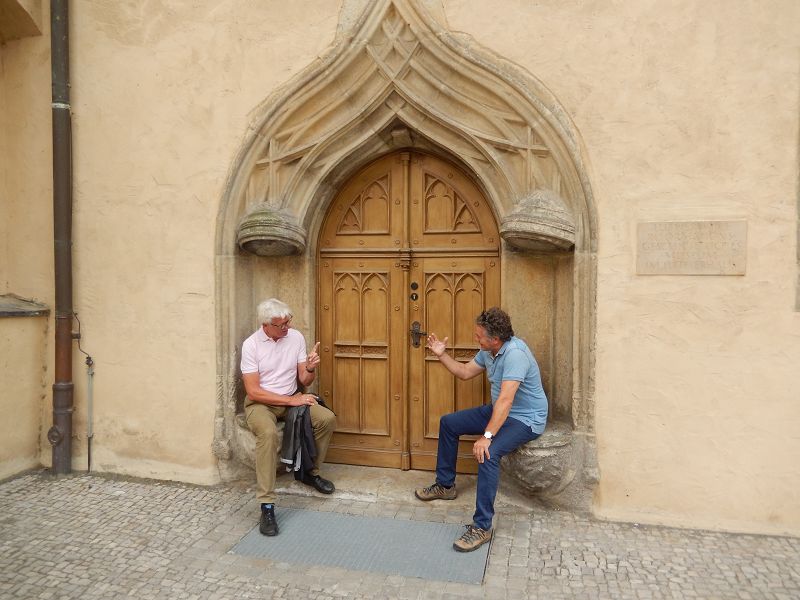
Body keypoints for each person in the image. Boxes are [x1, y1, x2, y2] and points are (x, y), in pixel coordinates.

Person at [414, 307, 548, 552]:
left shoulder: (515, 355)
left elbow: (506, 400)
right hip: (500, 411)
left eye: (479, 336)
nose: (476, 338)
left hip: (526, 418)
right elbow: (465, 372)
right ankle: (445, 486)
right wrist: (442, 355)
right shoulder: (489, 351)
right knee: (449, 423)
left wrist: (487, 437)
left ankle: (482, 526)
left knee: (488, 453)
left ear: (495, 339)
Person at [241, 298, 337, 537]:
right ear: (266, 325)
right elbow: (253, 391)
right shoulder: (251, 345)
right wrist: (291, 401)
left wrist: (311, 368)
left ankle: (309, 473)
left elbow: (304, 380)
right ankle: (267, 505)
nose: (287, 327)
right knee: (268, 434)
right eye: (281, 324)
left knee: (326, 418)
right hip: (261, 404)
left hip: (292, 398)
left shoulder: (295, 338)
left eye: (288, 321)